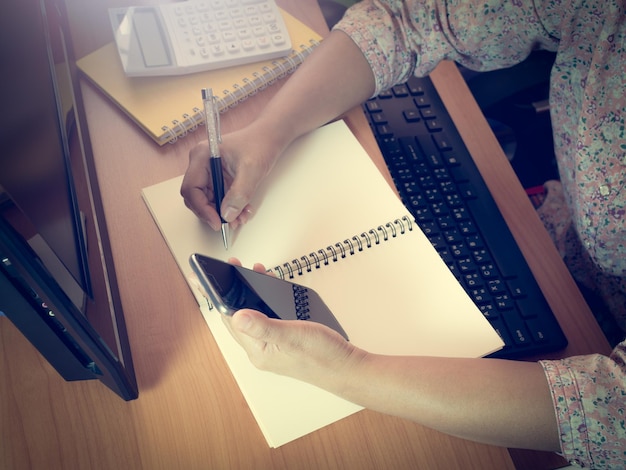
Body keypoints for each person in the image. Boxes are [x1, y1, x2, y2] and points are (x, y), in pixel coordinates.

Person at [181, 1, 626, 467]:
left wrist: (351, 372)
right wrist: (267, 133)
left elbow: (610, 411)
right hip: (568, 242)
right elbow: (409, 21)